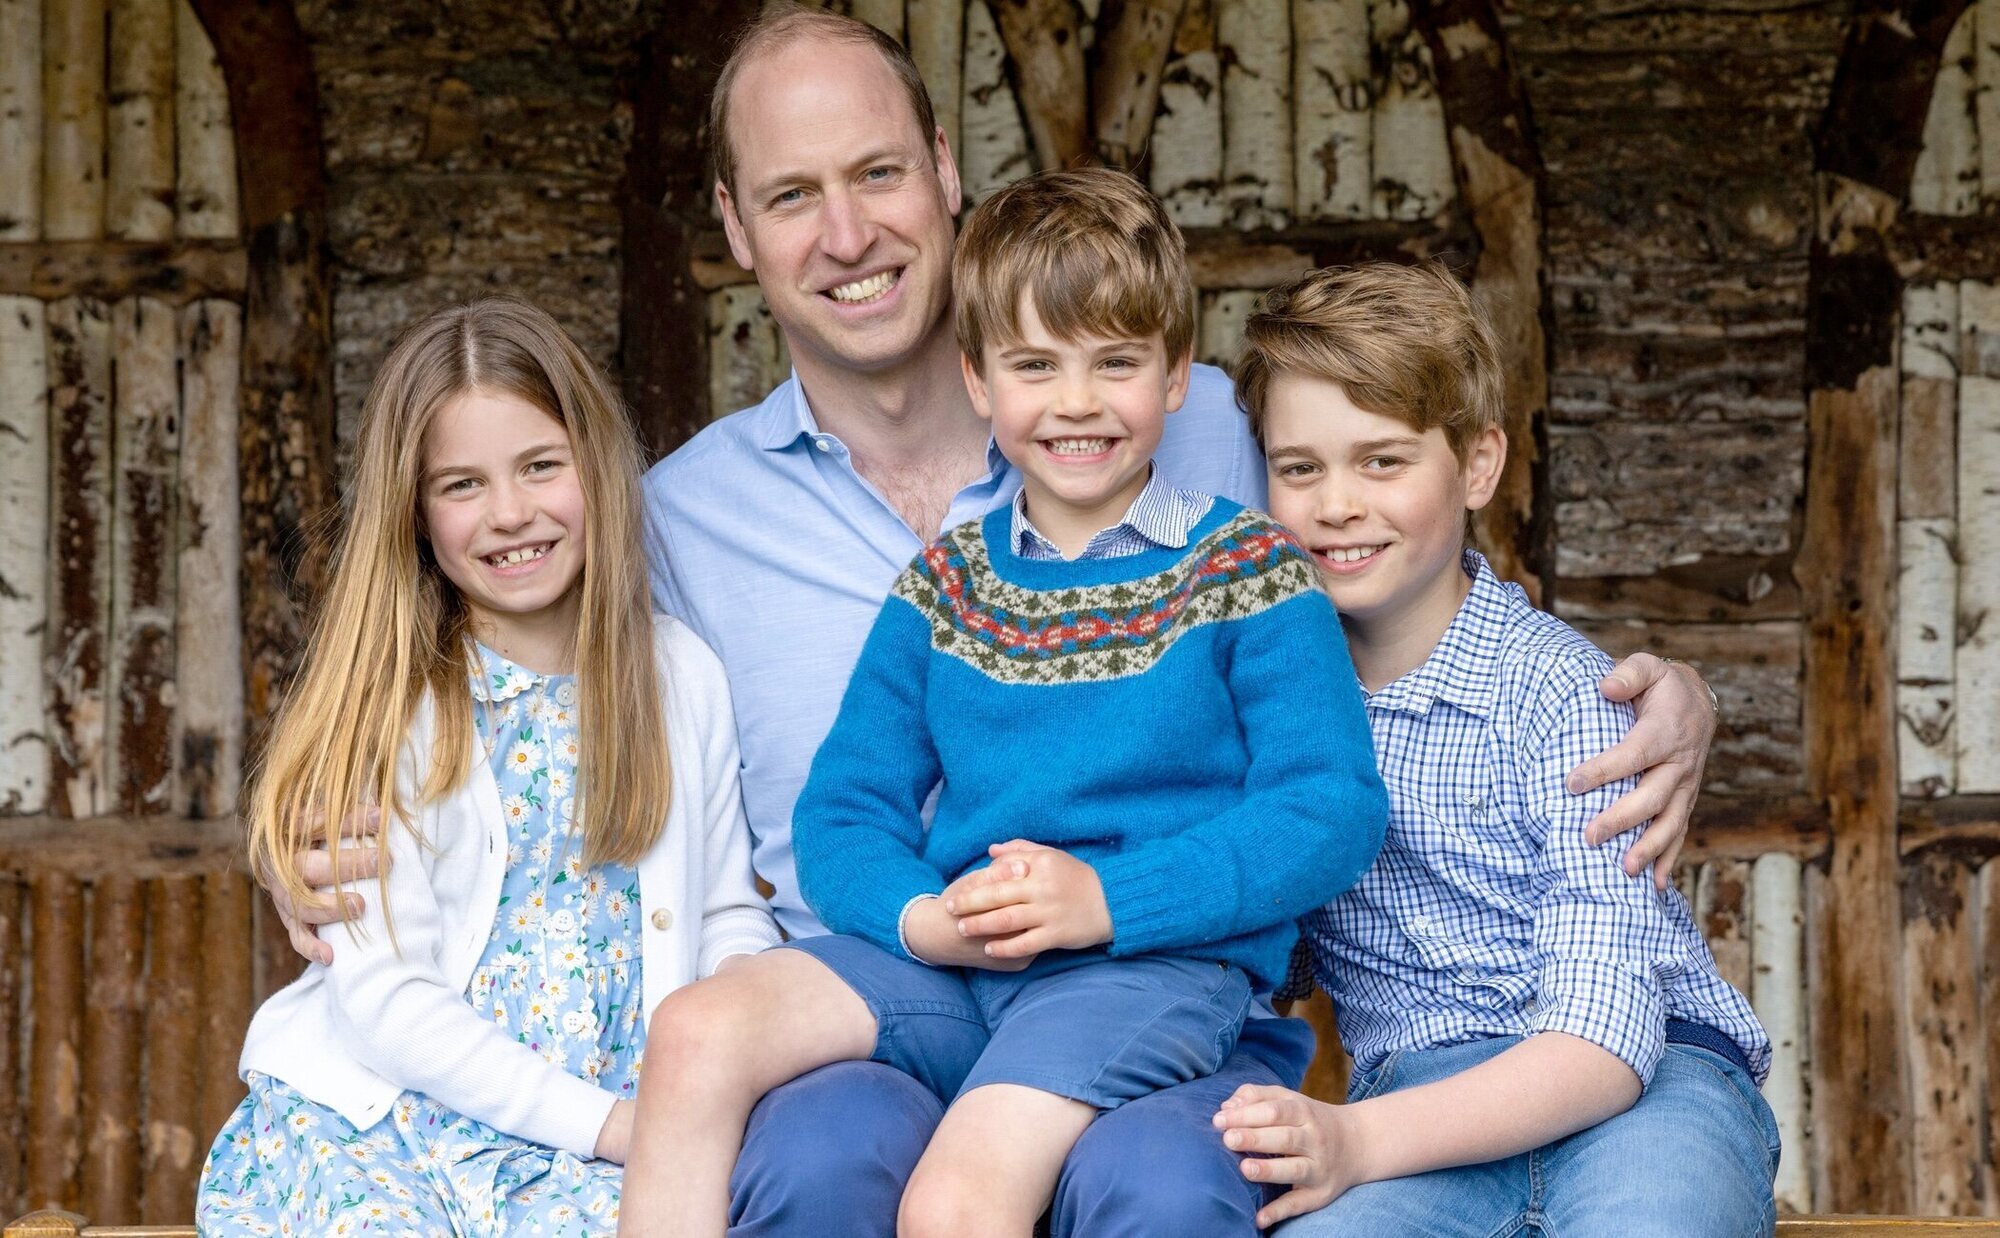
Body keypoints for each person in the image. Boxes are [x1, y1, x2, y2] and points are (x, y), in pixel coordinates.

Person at [272, 8, 1724, 1232]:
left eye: (878, 172)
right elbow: (489, 637)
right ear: (734, 228)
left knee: (1147, 1176)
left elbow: (1393, 557)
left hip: (1152, 970)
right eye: (790, 195)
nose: (846, 231)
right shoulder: (700, 523)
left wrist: (1636, 689)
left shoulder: (1228, 468)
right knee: (754, 1087)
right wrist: (318, 821)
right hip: (908, 962)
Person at [619, 167, 1390, 1238]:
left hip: (1146, 968)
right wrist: (919, 917)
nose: (1075, 401)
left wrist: (1109, 899)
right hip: (953, 965)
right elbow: (845, 807)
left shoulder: (1246, 569)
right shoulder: (944, 584)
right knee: (700, 1029)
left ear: (1176, 376)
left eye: (1114, 362)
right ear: (977, 380)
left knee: (955, 1201)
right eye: (1035, 364)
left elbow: (1328, 807)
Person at [1209, 263, 1778, 1235]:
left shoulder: (1566, 698)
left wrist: (1356, 1141)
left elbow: (1604, 1036)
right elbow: (1272, 952)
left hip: (1649, 1084)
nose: (1336, 503)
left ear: (1475, 465)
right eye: (1298, 467)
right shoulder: (1268, 712)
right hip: (1418, 1099)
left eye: (1382, 460)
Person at [195, 298, 781, 1234]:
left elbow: (724, 910)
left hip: (620, 1130)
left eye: (541, 466)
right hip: (394, 1121)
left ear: (596, 466)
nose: (510, 514)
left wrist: (719, 1062)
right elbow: (387, 1000)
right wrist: (617, 1126)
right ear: (415, 513)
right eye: (460, 485)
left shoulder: (678, 676)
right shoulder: (392, 703)